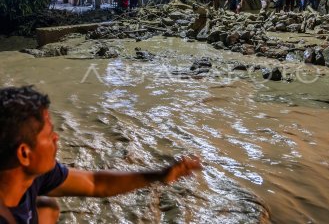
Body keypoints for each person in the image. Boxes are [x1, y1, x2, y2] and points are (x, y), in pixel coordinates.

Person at [0, 86, 201, 224]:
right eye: (49, 134)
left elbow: (95, 182)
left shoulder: (33, 174)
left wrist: (160, 175)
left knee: (46, 206)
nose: (56, 138)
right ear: (24, 154)